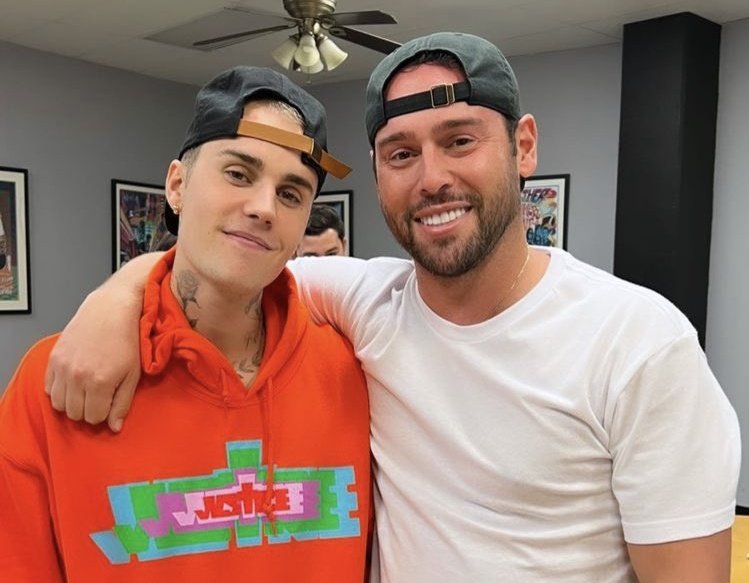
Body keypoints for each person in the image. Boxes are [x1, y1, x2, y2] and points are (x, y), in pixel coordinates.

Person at [42, 33, 740, 582]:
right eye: (401, 153)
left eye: (459, 140)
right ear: (377, 175)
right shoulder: (366, 303)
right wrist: (119, 295)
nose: (432, 178)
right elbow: (232, 263)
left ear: (523, 146)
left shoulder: (636, 343)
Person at [0, 66, 372, 582]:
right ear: (177, 185)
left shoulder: (357, 373)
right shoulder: (63, 379)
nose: (263, 207)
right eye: (238, 174)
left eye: (291, 194)